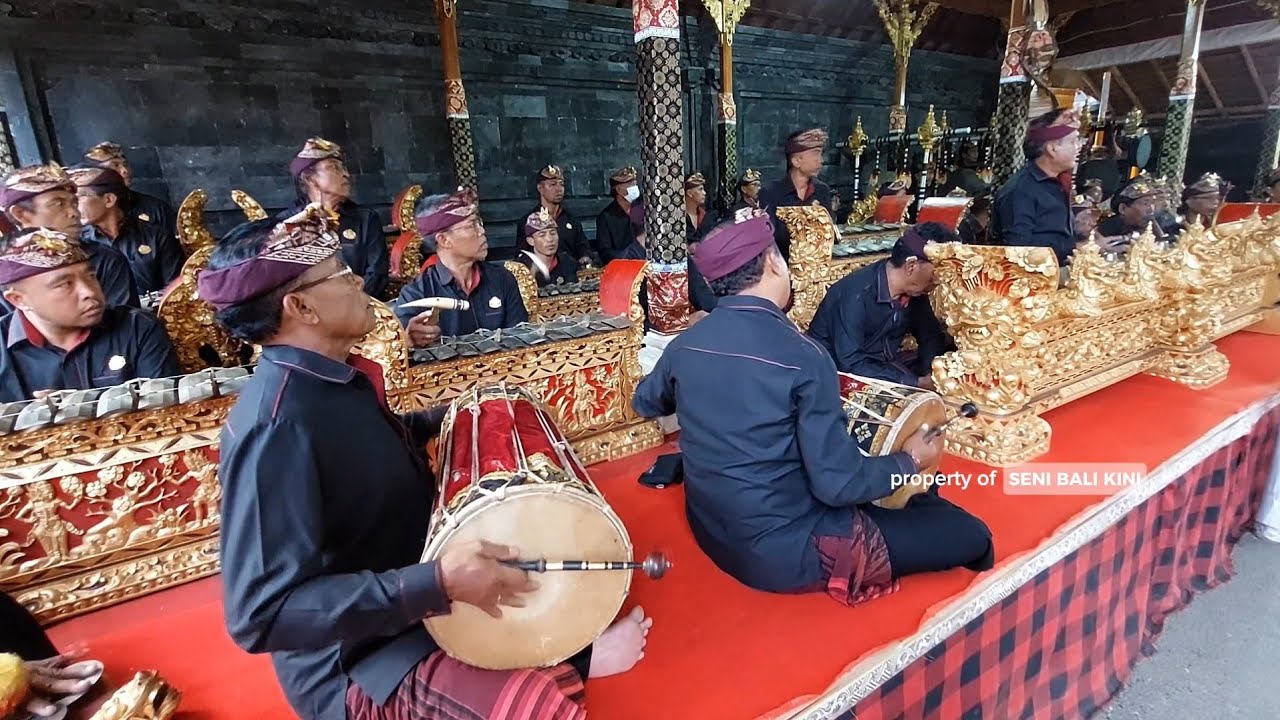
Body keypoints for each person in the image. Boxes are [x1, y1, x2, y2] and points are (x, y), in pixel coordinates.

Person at [204, 205, 650, 720]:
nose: (358, 281)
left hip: (412, 596)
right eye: (341, 273)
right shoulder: (275, 426)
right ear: (301, 307)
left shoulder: (329, 377)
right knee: (538, 706)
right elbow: (261, 614)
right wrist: (437, 582)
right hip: (362, 660)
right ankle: (568, 663)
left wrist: (458, 412)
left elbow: (364, 448)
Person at [631, 210, 992, 606]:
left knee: (915, 500)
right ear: (773, 262)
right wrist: (909, 461)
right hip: (782, 549)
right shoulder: (803, 357)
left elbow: (645, 401)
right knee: (972, 535)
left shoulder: (685, 345)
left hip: (713, 530)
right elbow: (838, 485)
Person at [0, 228, 181, 402]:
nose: (89, 291)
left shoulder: (137, 327)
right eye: (65, 284)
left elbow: (164, 408)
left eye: (91, 276)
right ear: (18, 299)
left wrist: (81, 406)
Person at [807, 223, 953, 389]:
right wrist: (915, 383)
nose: (937, 281)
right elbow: (851, 363)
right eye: (935, 274)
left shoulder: (915, 291)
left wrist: (931, 373)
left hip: (883, 368)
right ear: (911, 266)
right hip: (835, 376)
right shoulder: (855, 294)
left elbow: (930, 336)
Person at [393, 188, 528, 346]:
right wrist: (410, 340)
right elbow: (400, 344)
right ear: (444, 240)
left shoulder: (502, 279)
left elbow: (521, 338)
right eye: (472, 226)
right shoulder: (417, 294)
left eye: (479, 223)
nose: (482, 231)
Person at [1, 164, 139, 310]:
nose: (74, 213)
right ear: (21, 214)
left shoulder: (105, 259)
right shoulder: (4, 267)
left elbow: (124, 319)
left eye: (74, 204)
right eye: (58, 204)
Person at [281, 138, 390, 298]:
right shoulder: (288, 223)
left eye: (344, 168)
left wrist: (347, 302)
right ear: (310, 179)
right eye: (334, 167)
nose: (346, 174)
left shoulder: (365, 219)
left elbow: (377, 274)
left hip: (360, 304)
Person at [69, 166, 186, 295]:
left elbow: (178, 289)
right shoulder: (79, 245)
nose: (73, 207)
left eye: (78, 198)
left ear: (109, 200)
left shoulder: (156, 236)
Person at [989, 110, 1082, 266]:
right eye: (1073, 142)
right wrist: (1076, 249)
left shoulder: (1057, 183)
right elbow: (1018, 251)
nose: (1078, 147)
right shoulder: (1021, 190)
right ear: (1052, 149)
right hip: (1035, 276)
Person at [759, 128, 834, 260]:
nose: (821, 160)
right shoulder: (771, 193)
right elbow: (766, 240)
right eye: (816, 153)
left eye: (820, 154)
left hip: (816, 265)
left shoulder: (822, 191)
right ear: (796, 161)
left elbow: (829, 231)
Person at [83, 142, 177, 244]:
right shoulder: (84, 213)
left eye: (125, 164)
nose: (125, 170)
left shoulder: (156, 208)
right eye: (115, 166)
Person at [515, 166, 595, 268]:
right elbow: (522, 255)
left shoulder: (571, 219)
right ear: (540, 188)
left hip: (571, 272)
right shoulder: (528, 221)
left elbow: (583, 246)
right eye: (552, 184)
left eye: (561, 184)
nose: (559, 189)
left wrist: (585, 256)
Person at [518, 208, 579, 287]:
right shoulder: (521, 267)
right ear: (530, 241)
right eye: (542, 235)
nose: (550, 239)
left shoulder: (567, 262)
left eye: (553, 233)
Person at [594, 165, 640, 264]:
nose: (635, 188)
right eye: (630, 185)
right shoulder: (606, 217)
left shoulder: (643, 210)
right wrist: (625, 258)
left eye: (635, 184)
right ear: (619, 189)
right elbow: (605, 252)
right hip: (622, 266)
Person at [683, 173, 716, 243]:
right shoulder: (679, 218)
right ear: (689, 193)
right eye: (700, 189)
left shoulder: (707, 218)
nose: (704, 193)